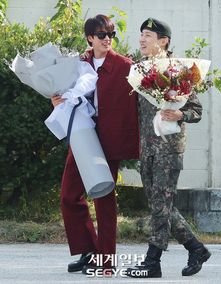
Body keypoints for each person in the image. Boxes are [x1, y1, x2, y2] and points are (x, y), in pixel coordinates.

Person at [51, 14, 139, 275]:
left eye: (111, 34)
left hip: (109, 139)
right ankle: (90, 251)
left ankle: (106, 261)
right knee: (69, 195)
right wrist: (57, 100)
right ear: (90, 37)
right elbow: (62, 93)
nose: (107, 39)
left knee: (103, 198)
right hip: (82, 135)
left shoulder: (126, 66)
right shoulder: (78, 62)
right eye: (102, 35)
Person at [126, 18, 211, 278]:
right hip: (147, 147)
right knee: (159, 205)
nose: (142, 39)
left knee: (161, 205)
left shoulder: (179, 70)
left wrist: (179, 115)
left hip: (169, 148)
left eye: (148, 35)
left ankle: (153, 262)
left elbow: (195, 110)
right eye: (141, 34)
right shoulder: (139, 70)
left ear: (164, 41)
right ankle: (196, 248)